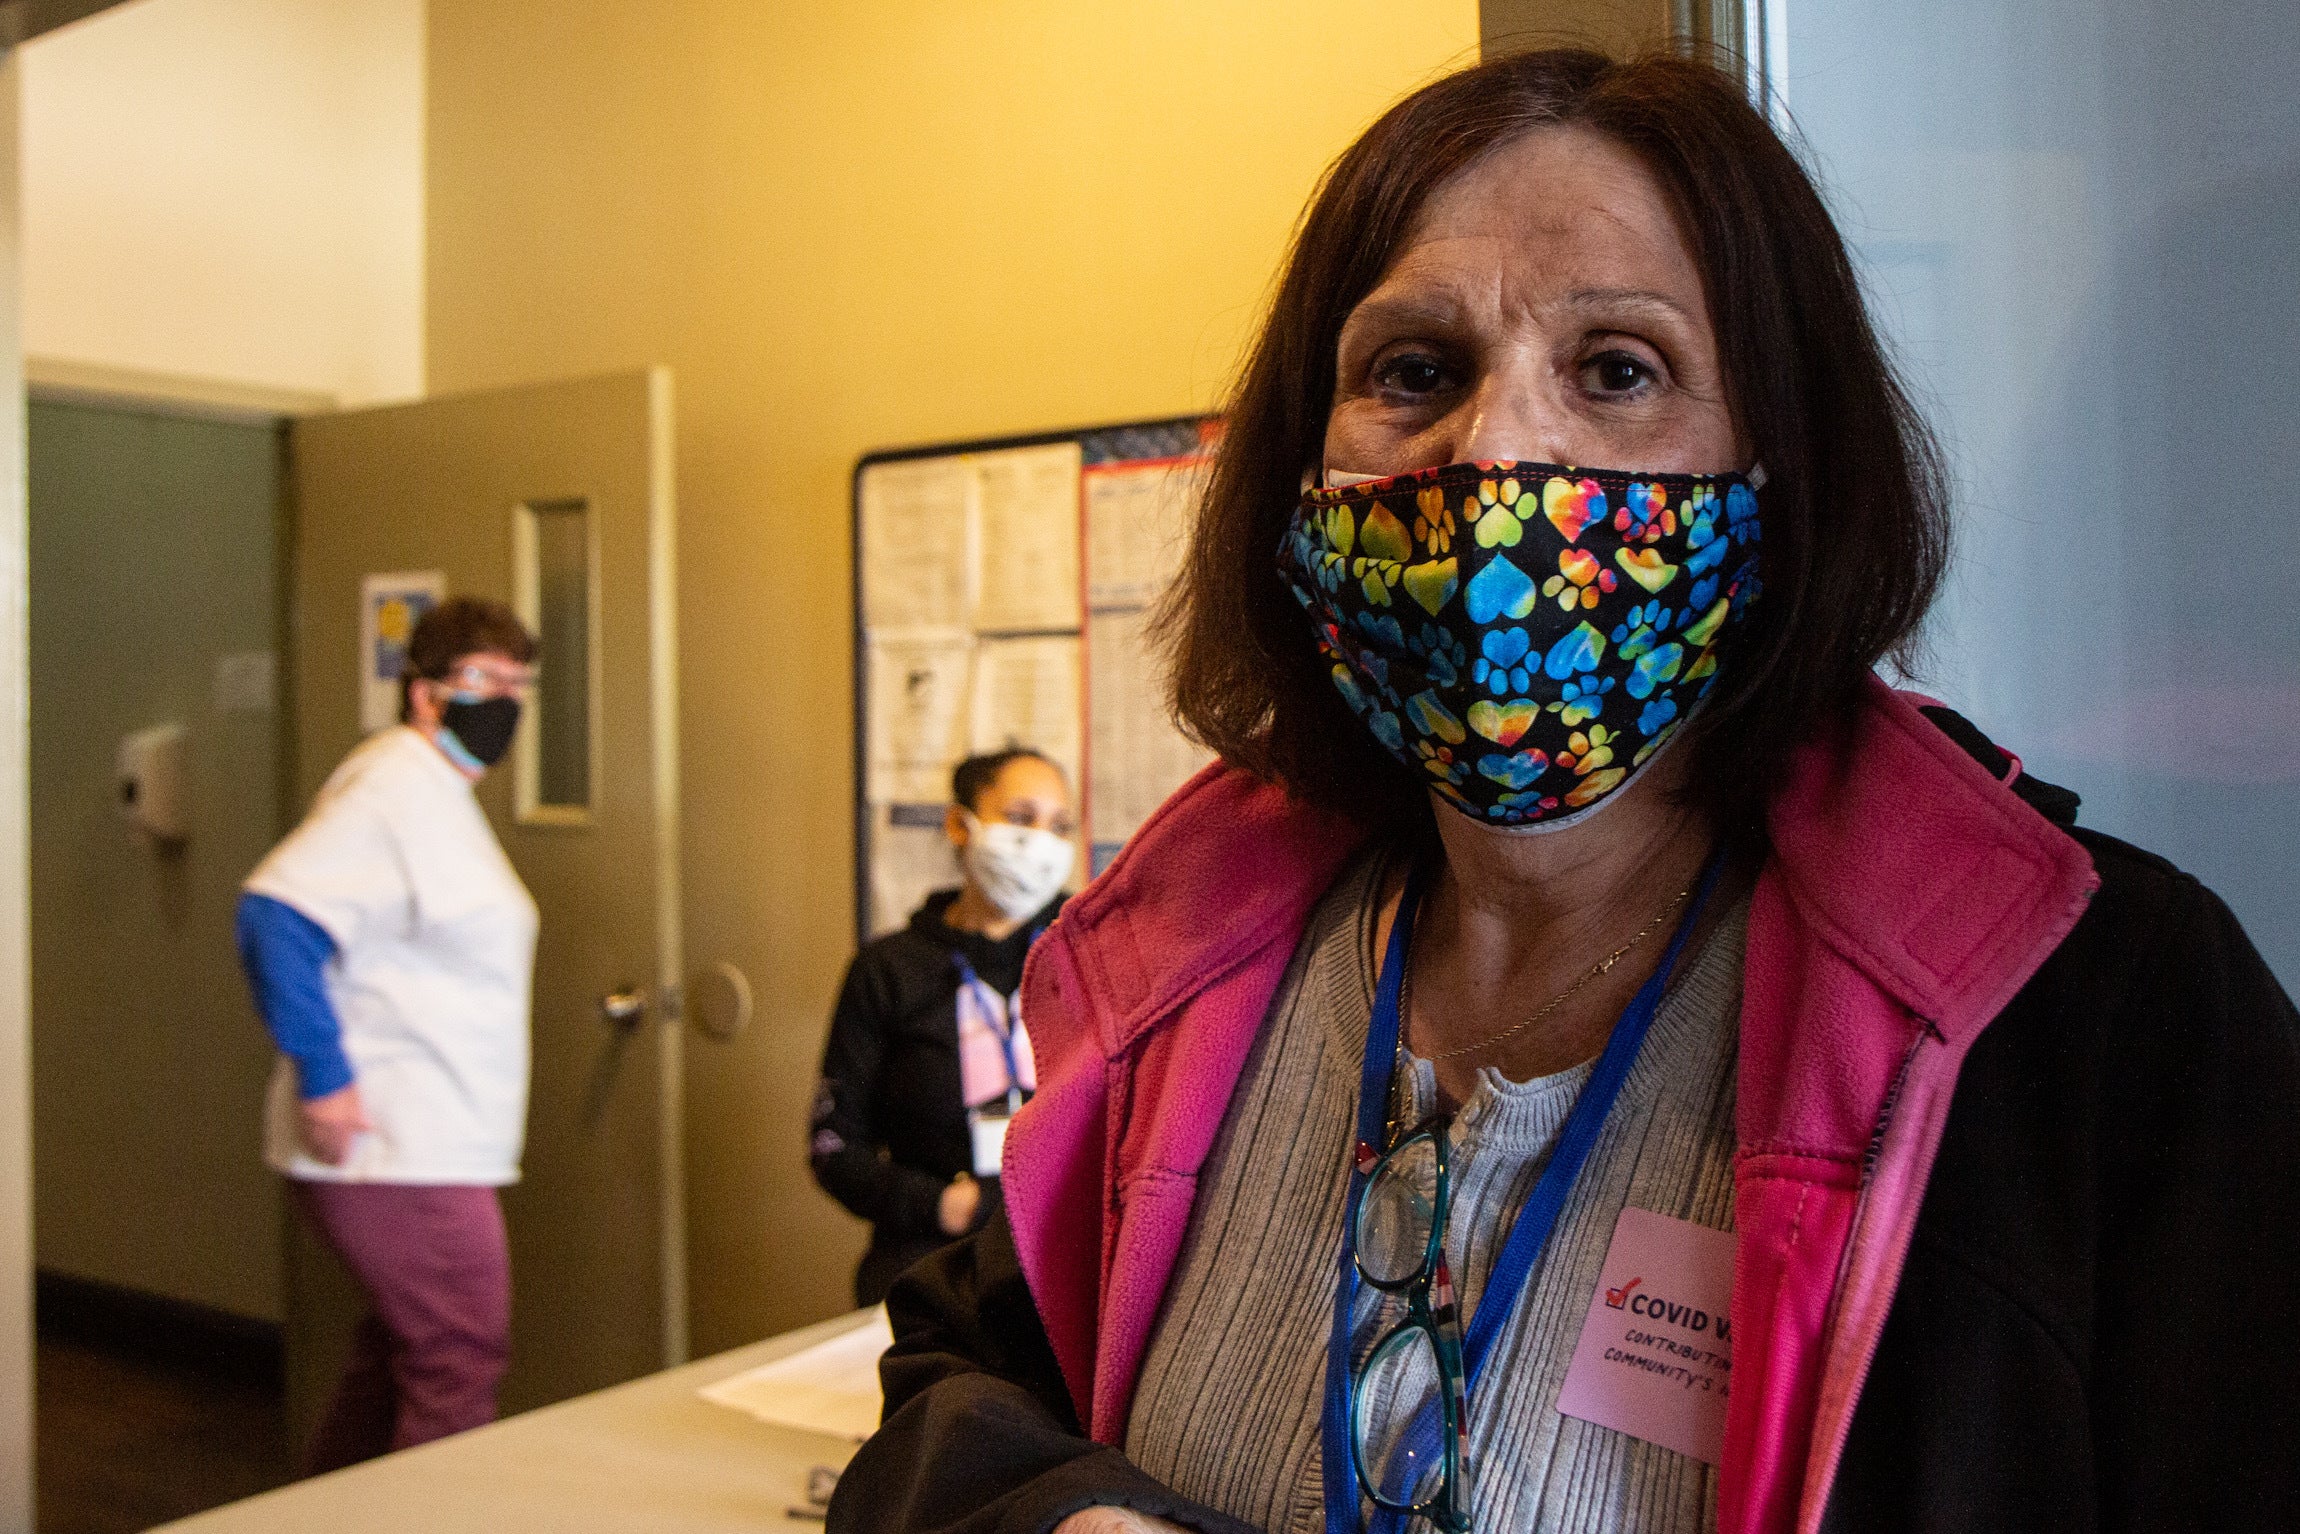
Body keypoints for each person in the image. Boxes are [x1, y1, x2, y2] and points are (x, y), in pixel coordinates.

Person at [828, 49, 2300, 1534]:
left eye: (1618, 369)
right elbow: (957, 1375)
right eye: (1414, 371)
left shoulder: (2107, 1020)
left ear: (1781, 461)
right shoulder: (1190, 963)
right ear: (1301, 469)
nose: (1497, 457)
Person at [236, 597, 539, 1471]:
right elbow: (276, 917)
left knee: (395, 1362)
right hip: (400, 1145)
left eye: (519, 685)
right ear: (424, 694)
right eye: (484, 680)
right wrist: (324, 1076)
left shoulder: (433, 792)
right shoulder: (397, 785)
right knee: (458, 1357)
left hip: (435, 1139)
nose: (506, 703)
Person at [811, 747, 1077, 1307]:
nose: (1041, 844)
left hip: (1059, 1260)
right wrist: (939, 1204)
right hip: (928, 1268)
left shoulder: (1083, 959)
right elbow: (834, 1148)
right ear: (961, 824)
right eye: (1021, 818)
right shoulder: (889, 970)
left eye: (1060, 826)